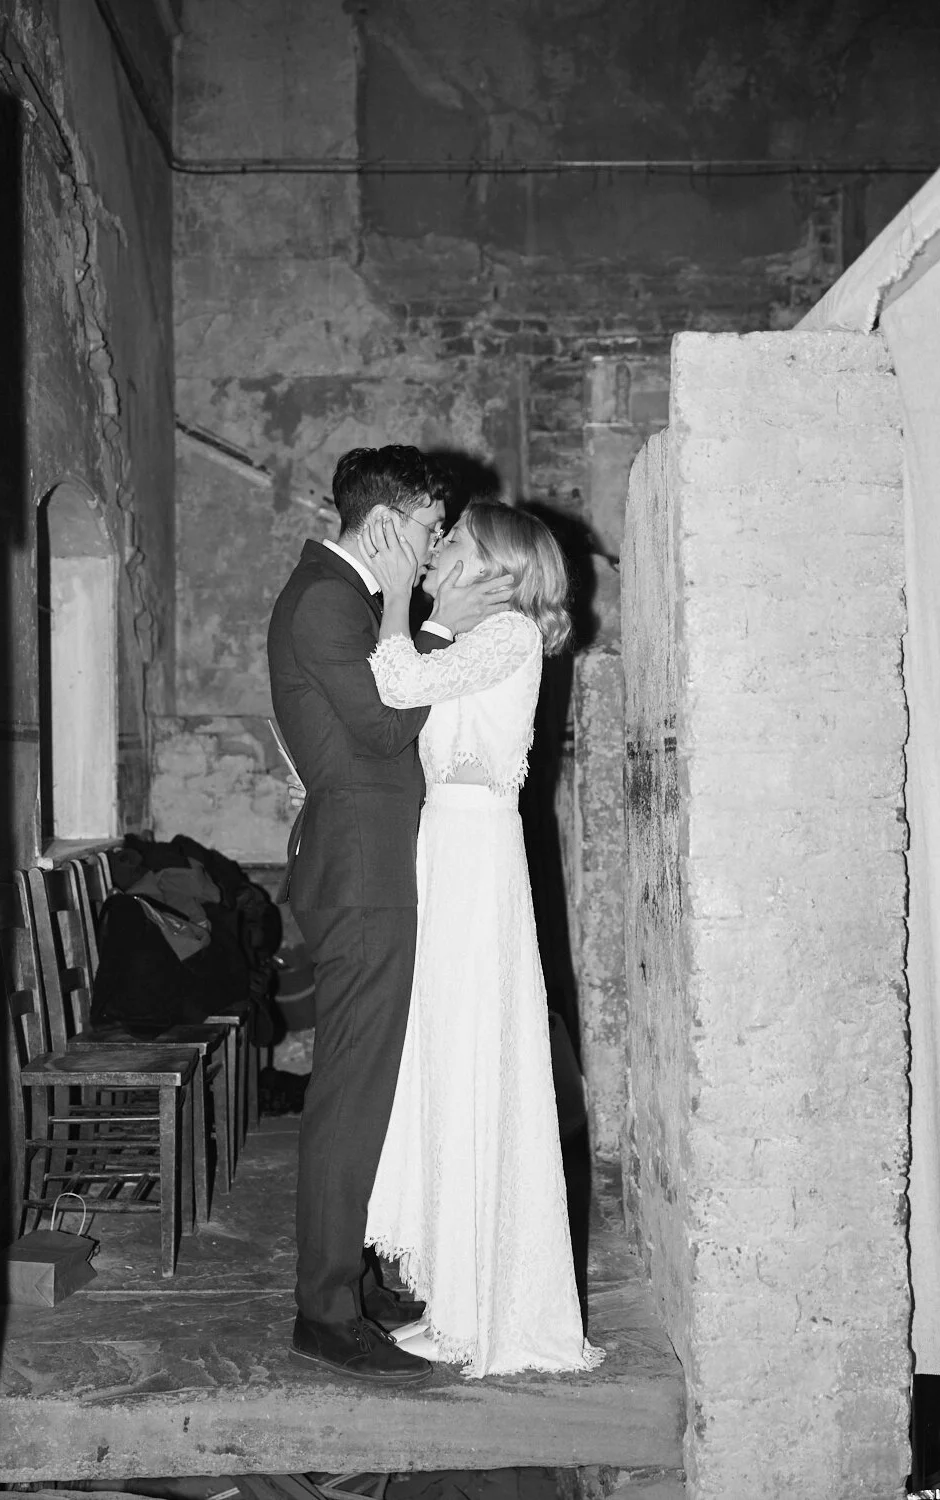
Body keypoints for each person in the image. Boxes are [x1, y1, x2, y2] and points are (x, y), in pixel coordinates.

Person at [266, 445, 513, 1385]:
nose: (434, 543)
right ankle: (325, 1316)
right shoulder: (329, 598)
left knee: (374, 1088)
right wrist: (442, 629)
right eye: (426, 528)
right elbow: (378, 726)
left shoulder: (344, 595)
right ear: (382, 525)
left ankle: (353, 1282)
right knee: (351, 1096)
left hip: (373, 867)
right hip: (362, 873)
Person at [360, 499, 606, 1378]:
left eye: (452, 541)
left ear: (495, 566)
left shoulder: (505, 634)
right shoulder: (481, 639)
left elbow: (396, 682)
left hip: (473, 854)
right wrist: (422, 618)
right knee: (446, 1062)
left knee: (472, 1060)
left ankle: (489, 1315)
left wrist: (396, 602)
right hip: (448, 849)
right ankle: (456, 1302)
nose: (438, 551)